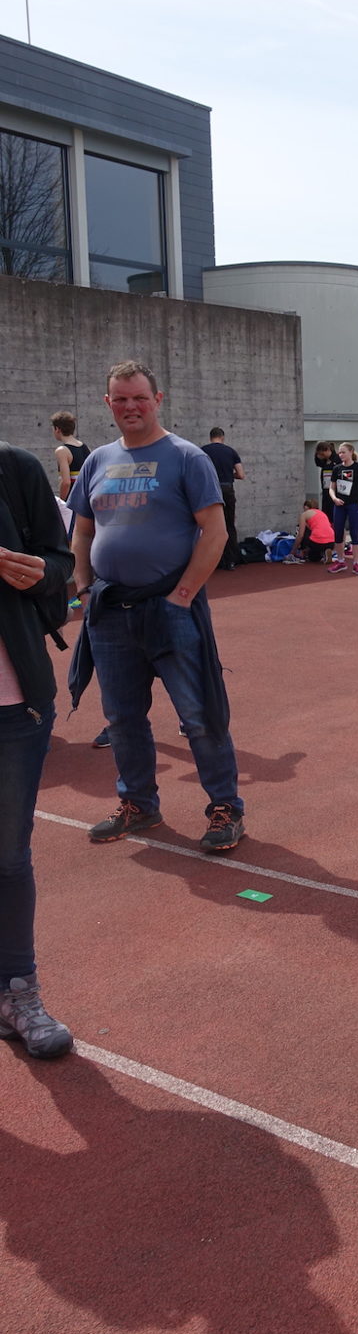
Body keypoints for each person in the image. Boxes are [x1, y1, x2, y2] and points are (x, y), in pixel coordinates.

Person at [69, 360, 246, 854]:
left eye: (139, 398)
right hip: (110, 612)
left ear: (158, 400)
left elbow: (215, 533)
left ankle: (225, 808)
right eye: (121, 399)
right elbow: (82, 532)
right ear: (108, 403)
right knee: (122, 718)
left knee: (199, 715)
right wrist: (84, 588)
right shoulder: (97, 461)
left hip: (170, 610)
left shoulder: (187, 457)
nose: (131, 407)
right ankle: (139, 804)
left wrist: (181, 597)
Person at [0, 442, 75, 1057]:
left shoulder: (14, 469)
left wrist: (40, 571)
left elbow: (60, 564)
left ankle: (17, 991)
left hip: (11, 702)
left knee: (7, 856)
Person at [326, 443, 358, 574]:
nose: (340, 455)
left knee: (355, 533)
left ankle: (356, 563)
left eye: (343, 452)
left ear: (351, 452)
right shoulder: (337, 468)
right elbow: (331, 488)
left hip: (355, 505)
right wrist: (334, 498)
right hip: (339, 505)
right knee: (338, 533)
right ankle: (341, 562)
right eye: (339, 452)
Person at [201, 428, 245, 571]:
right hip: (227, 489)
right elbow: (241, 474)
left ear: (210, 437)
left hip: (210, 491)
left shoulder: (202, 451)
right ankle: (231, 560)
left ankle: (213, 561)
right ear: (222, 437)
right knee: (229, 525)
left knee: (210, 526)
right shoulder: (231, 452)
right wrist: (230, 474)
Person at [50, 411, 92, 504]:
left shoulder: (62, 451)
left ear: (57, 429)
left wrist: (62, 503)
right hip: (86, 500)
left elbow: (66, 482)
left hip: (73, 502)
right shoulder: (86, 447)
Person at [283, 499, 335, 564]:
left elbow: (300, 535)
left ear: (305, 507)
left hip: (317, 542)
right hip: (331, 541)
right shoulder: (322, 513)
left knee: (313, 557)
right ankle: (324, 551)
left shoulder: (304, 515)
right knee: (317, 543)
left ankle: (316, 552)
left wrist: (292, 552)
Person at [314, 441, 337, 517]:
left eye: (322, 454)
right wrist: (317, 455)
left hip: (335, 490)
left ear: (327, 450)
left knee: (333, 512)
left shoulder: (337, 460)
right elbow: (318, 463)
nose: (321, 456)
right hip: (325, 489)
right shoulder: (325, 461)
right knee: (326, 512)